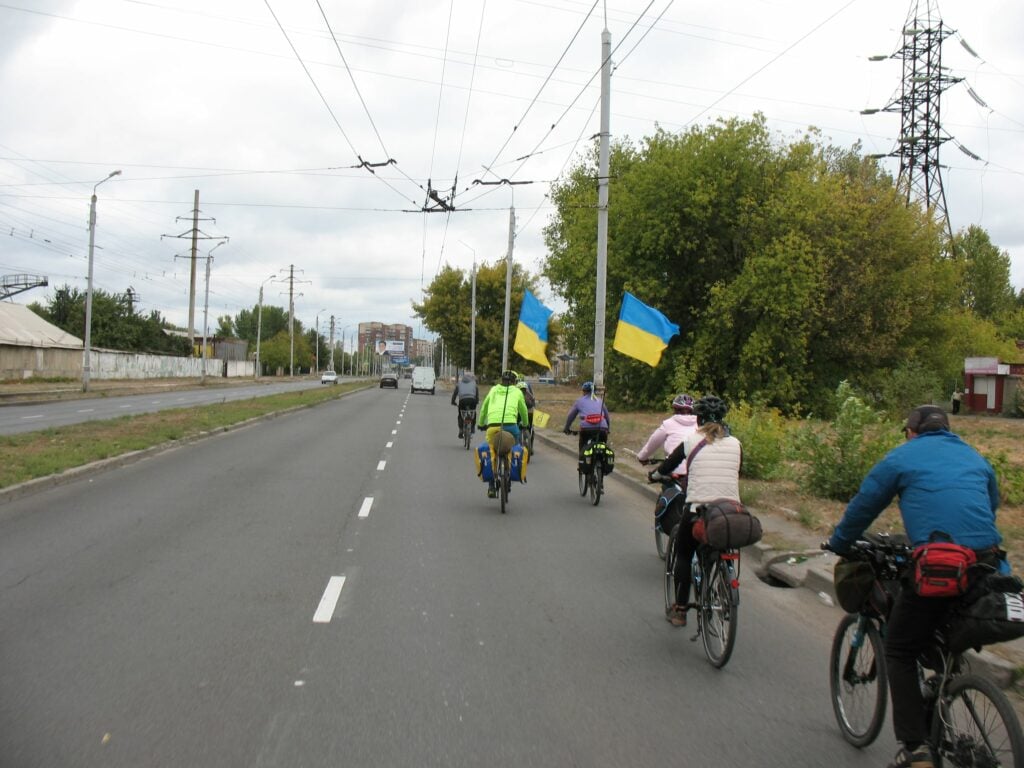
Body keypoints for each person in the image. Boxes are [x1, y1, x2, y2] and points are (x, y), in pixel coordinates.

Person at [826, 405, 1005, 768]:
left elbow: (865, 505)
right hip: (988, 566)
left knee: (899, 649)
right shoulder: (974, 457)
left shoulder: (901, 458)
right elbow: (990, 505)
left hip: (941, 567)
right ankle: (945, 687)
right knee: (940, 629)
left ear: (911, 431)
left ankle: (915, 750)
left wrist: (840, 542)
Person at [650, 395, 742, 628]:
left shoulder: (691, 441)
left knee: (683, 552)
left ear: (698, 419)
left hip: (698, 509)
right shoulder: (736, 444)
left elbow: (668, 466)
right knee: (723, 545)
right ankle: (723, 582)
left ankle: (681, 609)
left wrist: (656, 475)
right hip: (731, 511)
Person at [476, 370, 529, 498]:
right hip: (511, 426)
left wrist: (481, 423)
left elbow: (484, 407)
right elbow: (523, 409)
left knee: (490, 450)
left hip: (493, 426)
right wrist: (525, 424)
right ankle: (510, 474)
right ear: (514, 382)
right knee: (515, 447)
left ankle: (491, 487)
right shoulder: (517, 392)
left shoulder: (493, 390)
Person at [636, 393, 699, 472]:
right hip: (695, 471)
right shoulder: (699, 425)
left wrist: (642, 457)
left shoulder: (668, 424)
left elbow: (653, 442)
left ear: (675, 409)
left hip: (674, 469)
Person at [562, 381, 610, 461]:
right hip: (602, 428)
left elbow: (571, 416)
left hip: (586, 428)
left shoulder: (579, 401)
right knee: (603, 445)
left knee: (583, 445)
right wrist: (608, 429)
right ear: (594, 391)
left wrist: (566, 428)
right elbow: (607, 417)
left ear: (584, 391)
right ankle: (602, 463)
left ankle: (582, 462)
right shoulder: (600, 401)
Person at [451, 371, 479, 439]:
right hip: (472, 400)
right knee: (473, 413)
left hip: (462, 400)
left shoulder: (459, 383)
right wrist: (477, 401)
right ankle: (472, 428)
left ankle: (461, 430)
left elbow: (455, 394)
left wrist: (453, 402)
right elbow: (477, 394)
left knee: (460, 415)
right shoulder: (474, 383)